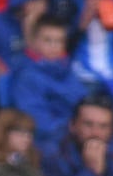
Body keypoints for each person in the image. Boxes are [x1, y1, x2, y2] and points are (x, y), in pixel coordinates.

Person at [9, 15, 92, 146]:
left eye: (59, 41)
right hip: (49, 140)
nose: (54, 47)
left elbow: (83, 103)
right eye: (48, 40)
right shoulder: (27, 77)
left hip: (78, 133)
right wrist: (74, 130)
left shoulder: (68, 72)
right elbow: (36, 119)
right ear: (34, 42)